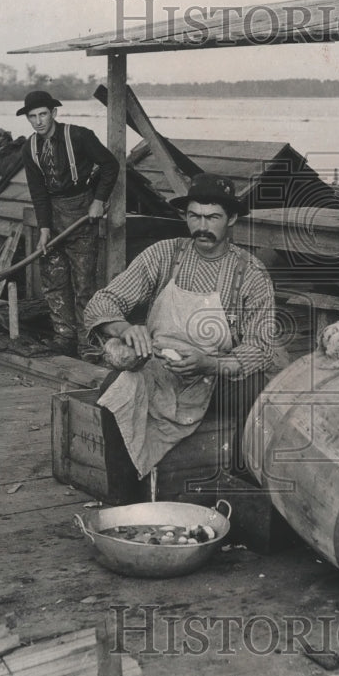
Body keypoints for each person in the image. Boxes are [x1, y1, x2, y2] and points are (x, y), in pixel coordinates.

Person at [84, 173, 275, 486]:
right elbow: (102, 302)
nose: (202, 227)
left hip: (214, 377)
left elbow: (260, 348)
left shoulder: (250, 273)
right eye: (194, 216)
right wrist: (125, 329)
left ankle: (241, 490)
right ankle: (124, 498)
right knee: (114, 387)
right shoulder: (164, 254)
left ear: (232, 219)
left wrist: (209, 363)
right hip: (160, 369)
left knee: (252, 392)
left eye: (213, 217)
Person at [19, 89, 120, 358]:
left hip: (81, 213)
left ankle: (88, 344)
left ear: (54, 113)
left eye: (43, 114)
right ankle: (64, 338)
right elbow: (38, 192)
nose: (39, 121)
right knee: (54, 281)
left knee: (84, 282)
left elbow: (110, 165)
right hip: (52, 216)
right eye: (32, 117)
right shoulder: (29, 148)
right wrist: (43, 229)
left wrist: (99, 200)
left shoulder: (79, 135)